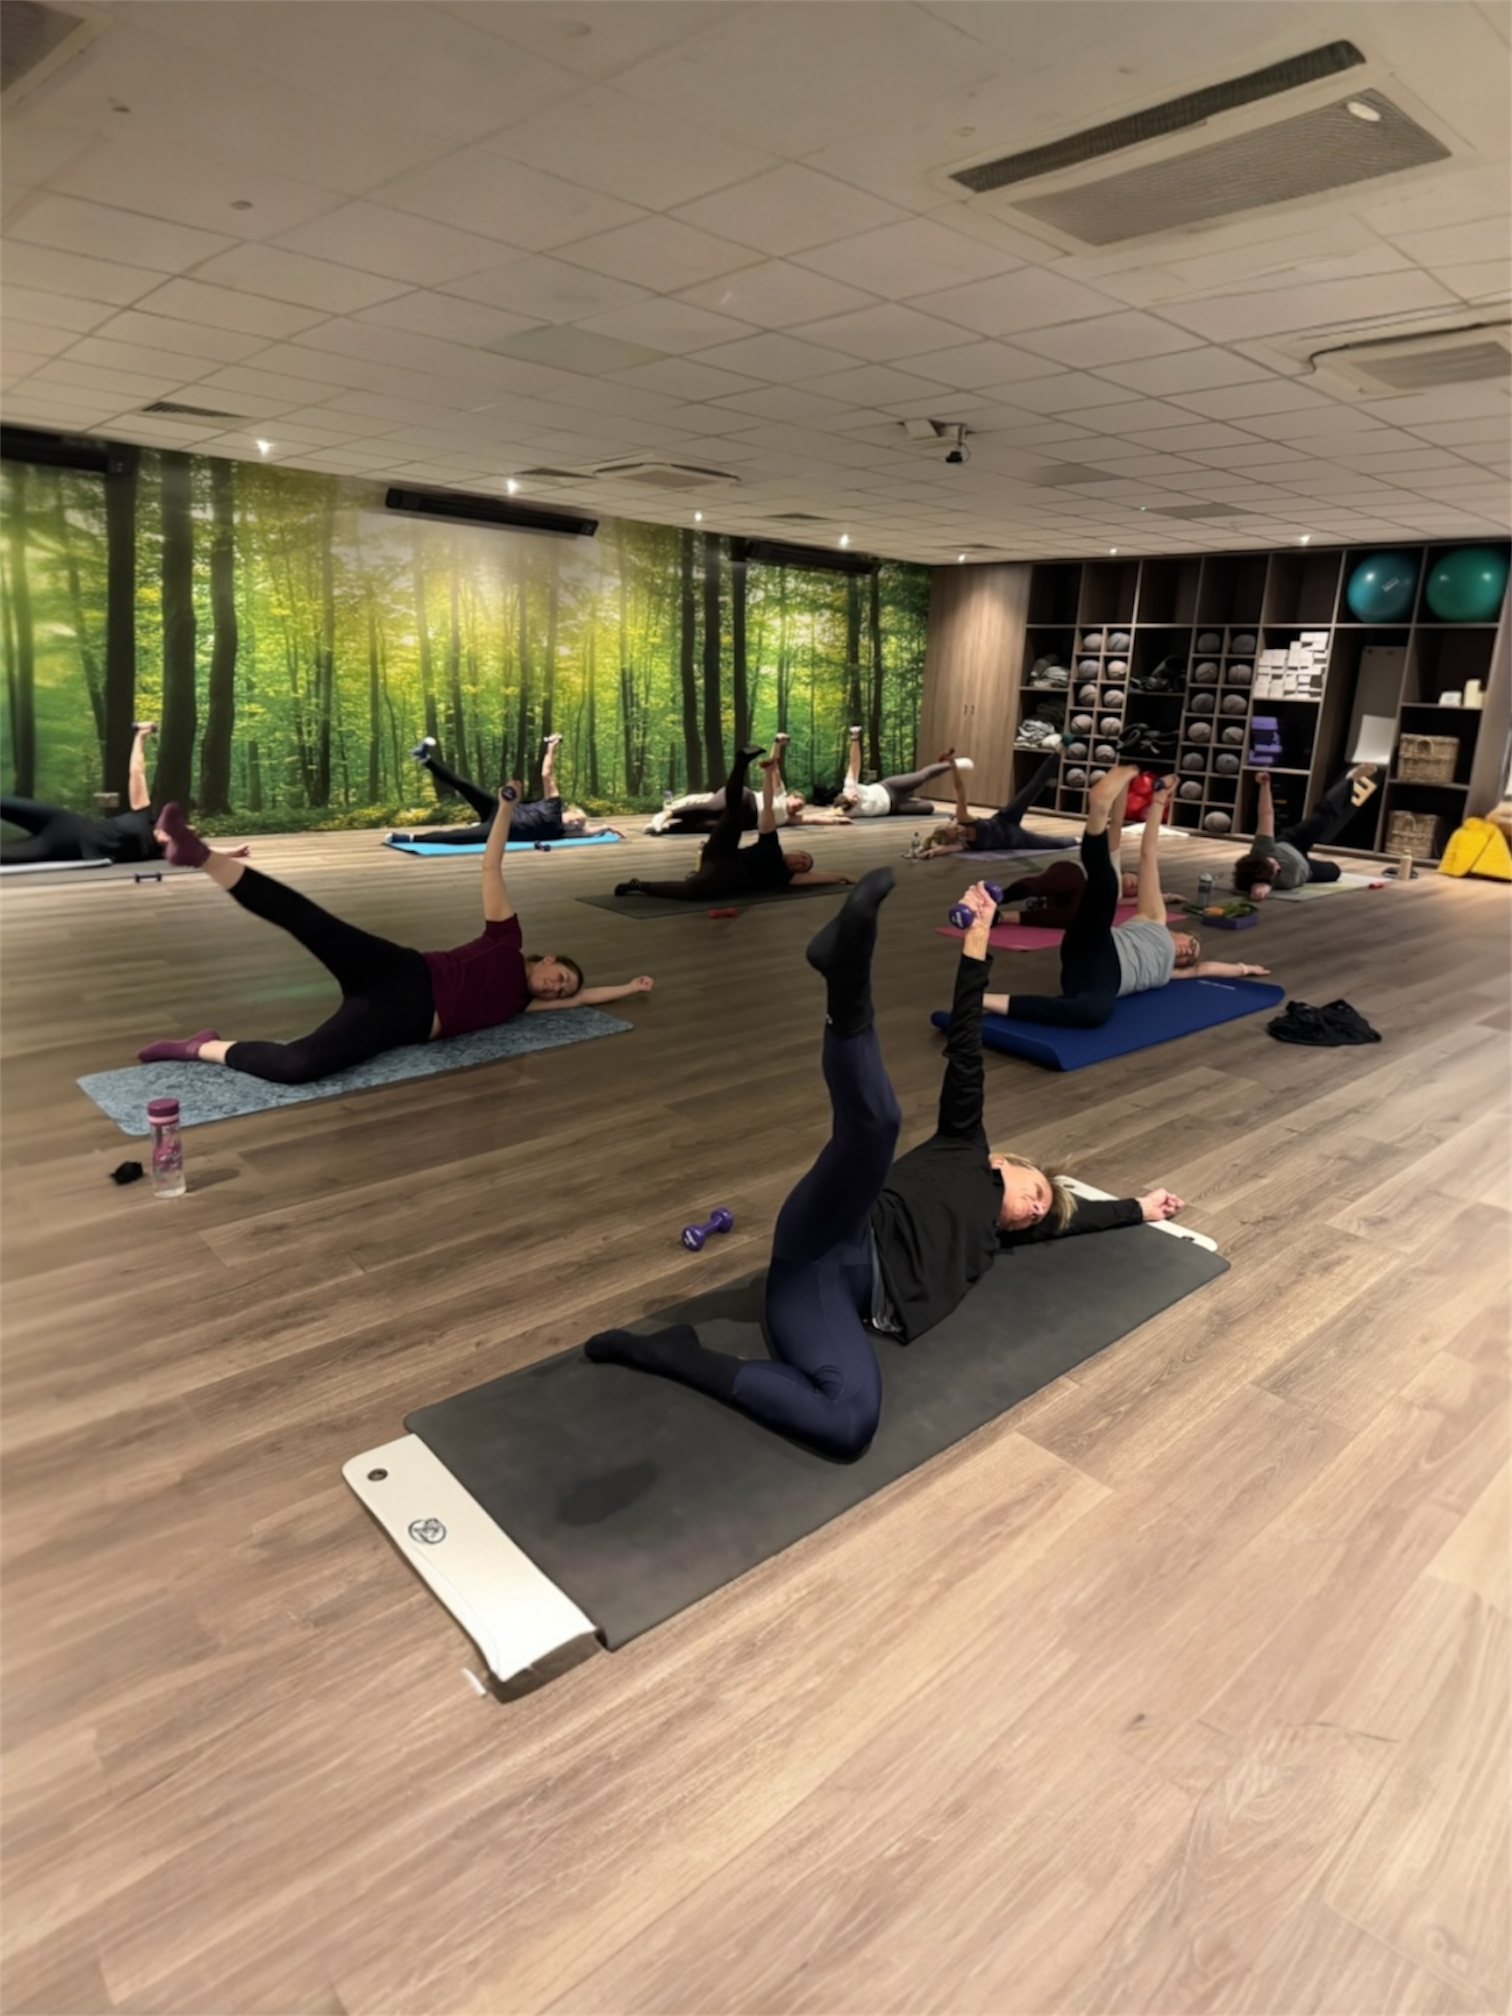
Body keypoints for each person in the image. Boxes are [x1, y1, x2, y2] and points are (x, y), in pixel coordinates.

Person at [585, 872, 1184, 1458]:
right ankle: (846, 982)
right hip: (841, 1226)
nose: (1034, 1208)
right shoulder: (964, 1145)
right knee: (877, 1126)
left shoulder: (993, 1237)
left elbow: (1073, 1220)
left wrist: (1141, 1208)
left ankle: (670, 1352)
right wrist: (976, 945)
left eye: (1036, 1215)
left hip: (818, 1288)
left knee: (849, 1424)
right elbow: (967, 1048)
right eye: (1035, 1191)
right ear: (1004, 1161)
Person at [136, 790, 652, 1084]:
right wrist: (504, 810)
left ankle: (198, 1048)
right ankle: (199, 854)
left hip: (395, 1022)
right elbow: (492, 866)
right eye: (559, 977)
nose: (558, 988)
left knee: (300, 1065)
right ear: (549, 958)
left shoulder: (521, 1005)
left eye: (560, 989)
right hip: (400, 971)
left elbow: (586, 997)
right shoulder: (506, 942)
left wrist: (629, 989)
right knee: (311, 922)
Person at [985, 766, 1269, 1027]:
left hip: (1097, 981)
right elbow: (1148, 855)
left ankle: (979, 1000)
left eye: (1188, 956)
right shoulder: (1154, 918)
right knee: (1107, 885)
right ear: (1179, 932)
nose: (1186, 952)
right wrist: (1159, 800)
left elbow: (1205, 969)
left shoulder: (1171, 973)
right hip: (1097, 945)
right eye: (1190, 943)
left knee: (1094, 1013)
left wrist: (1245, 968)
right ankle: (1098, 811)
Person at [616, 745, 855, 904]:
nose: (800, 862)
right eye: (802, 857)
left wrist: (843, 876)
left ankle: (639, 884)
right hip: (724, 853)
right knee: (733, 815)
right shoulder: (771, 845)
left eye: (803, 865)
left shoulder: (786, 878)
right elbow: (769, 805)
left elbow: (824, 877)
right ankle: (742, 761)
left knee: (692, 892)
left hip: (728, 877)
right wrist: (768, 773)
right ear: (793, 851)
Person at [0, 724, 251, 867]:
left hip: (65, 847)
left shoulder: (157, 852)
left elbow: (204, 853)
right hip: (64, 821)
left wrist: (233, 852)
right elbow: (137, 772)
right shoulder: (145, 813)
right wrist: (140, 736)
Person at [388, 734, 621, 845]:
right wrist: (551, 748)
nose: (575, 823)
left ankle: (409, 838)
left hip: (499, 828)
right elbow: (546, 774)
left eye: (577, 825)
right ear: (569, 811)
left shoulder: (560, 832)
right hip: (498, 808)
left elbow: (589, 833)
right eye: (576, 819)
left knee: (459, 838)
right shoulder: (553, 804)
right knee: (465, 785)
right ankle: (424, 758)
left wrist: (605, 827)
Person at [646, 733, 851, 834]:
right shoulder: (779, 793)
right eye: (798, 800)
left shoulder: (789, 820)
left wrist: (836, 820)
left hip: (746, 822)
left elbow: (814, 819)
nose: (798, 805)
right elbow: (774, 766)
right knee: (713, 808)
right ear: (790, 796)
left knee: (712, 826)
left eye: (800, 806)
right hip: (747, 799)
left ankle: (666, 829)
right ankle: (665, 815)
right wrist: (777, 744)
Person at [1233, 765, 1379, 899]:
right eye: (1275, 871)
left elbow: (1266, 815)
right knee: (1334, 871)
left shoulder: (1262, 849)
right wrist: (1258, 889)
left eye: (1273, 862)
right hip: (1307, 869)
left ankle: (1350, 779)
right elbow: (1260, 888)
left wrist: (1265, 785)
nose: (1278, 866)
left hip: (1291, 842)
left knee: (1324, 816)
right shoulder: (1262, 882)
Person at [920, 748, 1080, 858]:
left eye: (956, 828)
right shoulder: (964, 845)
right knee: (1052, 844)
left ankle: (1058, 752)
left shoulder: (963, 818)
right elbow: (945, 849)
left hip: (1006, 818)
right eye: (957, 834)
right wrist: (932, 852)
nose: (960, 831)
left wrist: (952, 764)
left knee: (1032, 788)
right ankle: (1077, 840)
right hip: (1015, 840)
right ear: (956, 839)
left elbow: (960, 789)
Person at [836, 726, 964, 818]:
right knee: (928, 808)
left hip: (889, 787)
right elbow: (823, 816)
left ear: (846, 794)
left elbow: (854, 763)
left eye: (853, 796)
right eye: (854, 802)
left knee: (920, 777)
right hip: (894, 808)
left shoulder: (849, 786)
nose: (856, 798)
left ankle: (953, 764)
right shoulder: (848, 813)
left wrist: (854, 737)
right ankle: (909, 799)